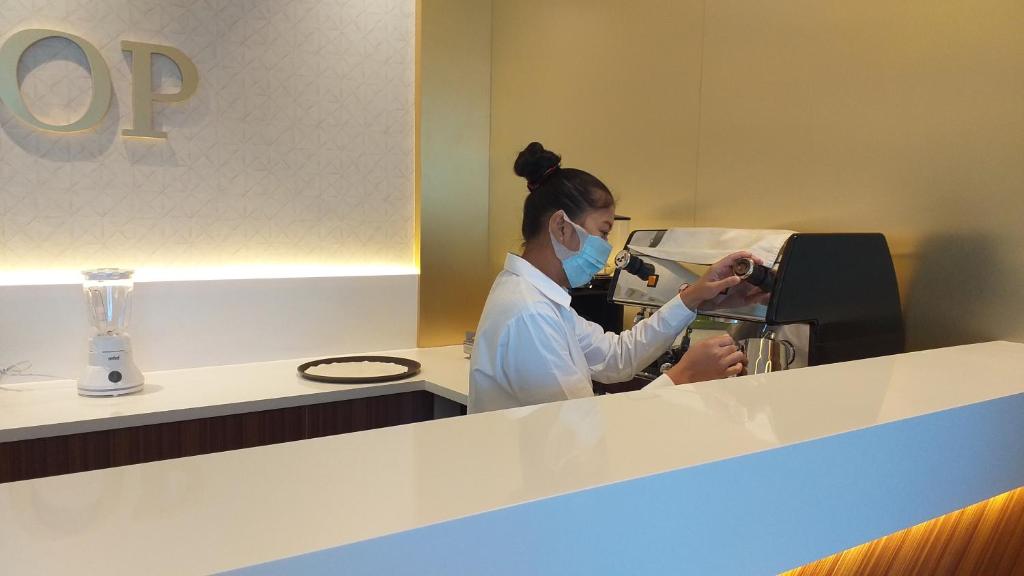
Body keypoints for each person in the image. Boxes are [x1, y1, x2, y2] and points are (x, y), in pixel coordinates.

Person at [468, 142, 769, 414]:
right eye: (603, 232)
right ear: (561, 226)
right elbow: (580, 431)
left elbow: (616, 357)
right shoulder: (530, 312)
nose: (606, 248)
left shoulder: (538, 298)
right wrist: (684, 375)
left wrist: (693, 298)